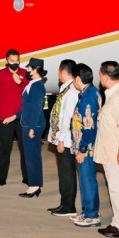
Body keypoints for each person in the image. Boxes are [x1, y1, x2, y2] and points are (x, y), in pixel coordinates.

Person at [95, 61, 119, 238]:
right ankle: (118, 221)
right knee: (115, 188)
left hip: (117, 152)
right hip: (110, 151)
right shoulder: (113, 93)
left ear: (104, 75)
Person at [0, 49, 29, 186]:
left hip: (22, 117)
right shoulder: (0, 75)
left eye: (17, 61)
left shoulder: (24, 73)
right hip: (5, 118)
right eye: (12, 61)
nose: (15, 63)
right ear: (6, 61)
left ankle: (27, 177)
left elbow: (30, 92)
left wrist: (20, 82)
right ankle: (2, 178)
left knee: (25, 148)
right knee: (5, 148)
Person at [70, 63, 102, 227]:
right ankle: (87, 211)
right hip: (84, 145)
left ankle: (91, 214)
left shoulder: (88, 96)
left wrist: (82, 149)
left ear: (77, 78)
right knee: (85, 179)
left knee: (87, 180)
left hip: (87, 148)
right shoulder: (87, 92)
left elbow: (89, 126)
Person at [46, 59, 80, 216]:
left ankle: (68, 206)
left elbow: (68, 118)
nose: (58, 74)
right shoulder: (66, 89)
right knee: (63, 172)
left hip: (65, 140)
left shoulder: (71, 91)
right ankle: (64, 203)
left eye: (59, 71)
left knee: (67, 173)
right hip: (62, 138)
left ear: (63, 72)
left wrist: (61, 139)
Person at [19, 58, 48, 198]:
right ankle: (33, 184)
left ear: (36, 69)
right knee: (30, 156)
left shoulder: (37, 86)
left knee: (33, 157)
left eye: (29, 68)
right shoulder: (32, 84)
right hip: (29, 124)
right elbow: (27, 107)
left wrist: (31, 128)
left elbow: (37, 108)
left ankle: (35, 186)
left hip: (33, 125)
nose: (27, 70)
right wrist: (14, 116)